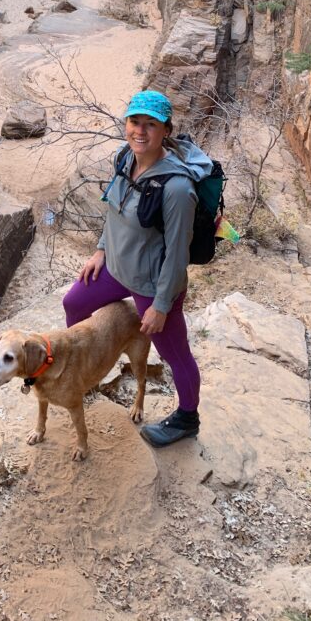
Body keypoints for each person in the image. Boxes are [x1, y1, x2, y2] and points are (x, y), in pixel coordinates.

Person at [62, 89, 212, 446]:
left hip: (152, 282)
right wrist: (101, 250)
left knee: (175, 354)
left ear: (166, 131)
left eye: (150, 124)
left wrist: (161, 305)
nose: (139, 131)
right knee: (75, 303)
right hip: (116, 267)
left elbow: (177, 254)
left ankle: (187, 418)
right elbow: (114, 211)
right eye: (134, 122)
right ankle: (84, 372)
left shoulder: (176, 189)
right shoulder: (125, 158)